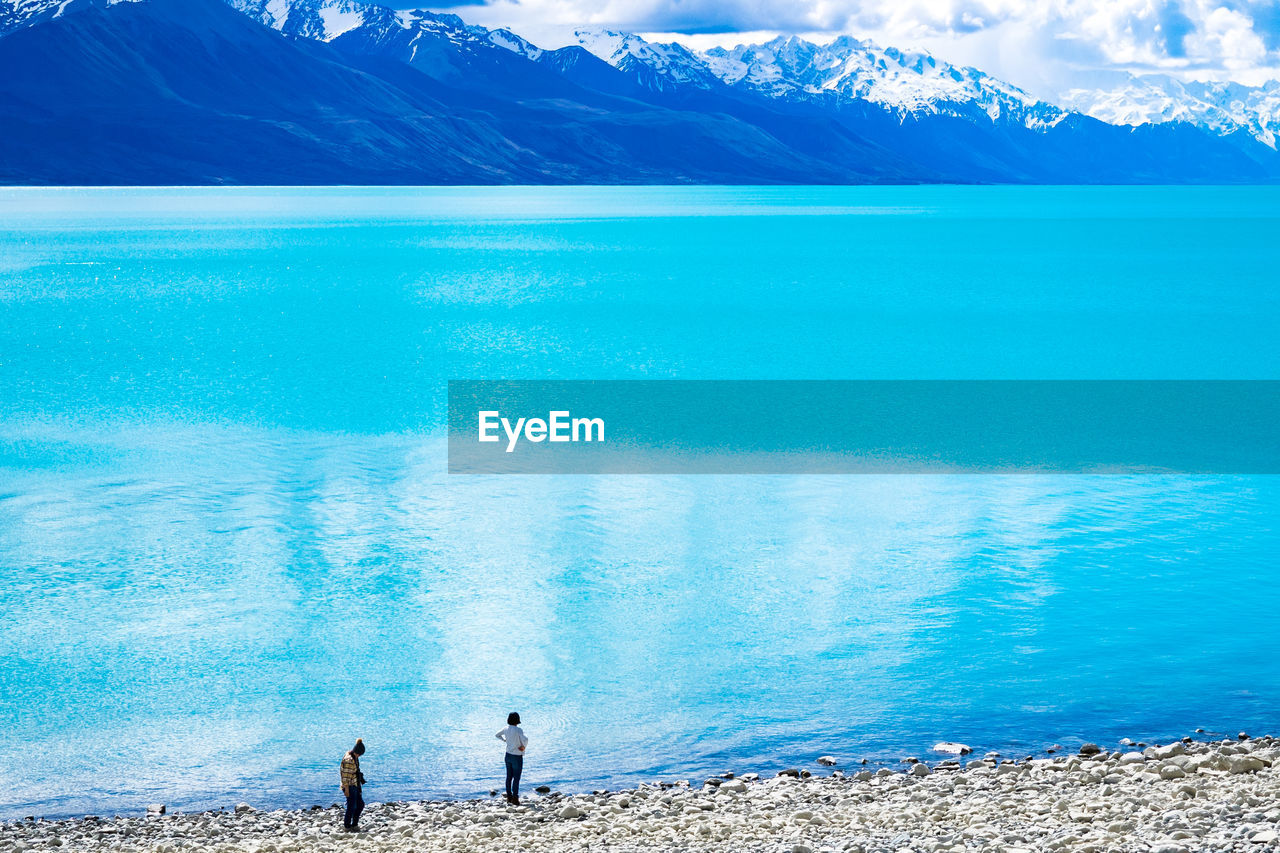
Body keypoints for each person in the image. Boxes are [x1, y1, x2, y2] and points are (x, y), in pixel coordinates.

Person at [495, 712, 528, 804]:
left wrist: (504, 740)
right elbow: (526, 739)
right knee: (516, 778)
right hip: (517, 756)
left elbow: (497, 735)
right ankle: (515, 798)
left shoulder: (505, 728)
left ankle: (509, 796)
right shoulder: (519, 730)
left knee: (509, 777)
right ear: (517, 720)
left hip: (508, 755)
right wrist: (523, 746)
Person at [340, 738, 366, 831]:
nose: (359, 756)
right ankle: (347, 826)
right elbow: (345, 777)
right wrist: (346, 790)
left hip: (355, 785)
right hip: (349, 786)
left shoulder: (354, 756)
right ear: (357, 752)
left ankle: (354, 824)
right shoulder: (349, 760)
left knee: (360, 805)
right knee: (351, 806)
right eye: (359, 754)